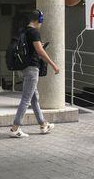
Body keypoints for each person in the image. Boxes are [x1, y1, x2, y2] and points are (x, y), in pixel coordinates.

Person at [10, 10, 60, 138]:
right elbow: (40, 51)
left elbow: (31, 48)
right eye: (41, 21)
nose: (41, 24)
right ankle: (15, 128)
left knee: (34, 98)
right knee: (26, 99)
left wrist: (39, 47)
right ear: (39, 20)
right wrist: (53, 64)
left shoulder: (24, 31)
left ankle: (43, 125)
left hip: (24, 68)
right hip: (32, 69)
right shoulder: (34, 32)